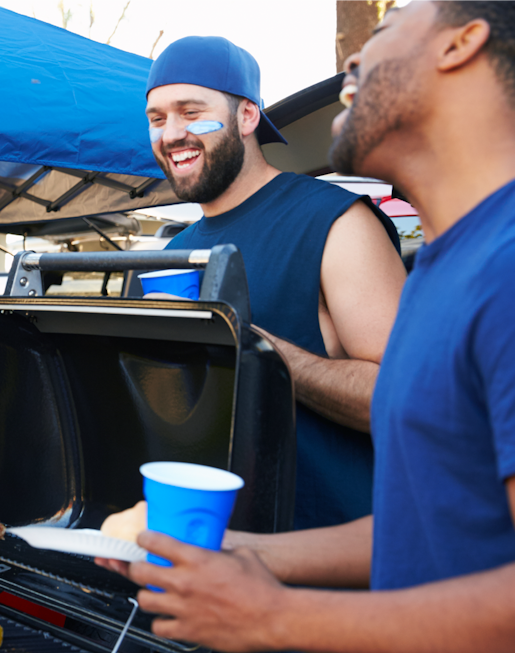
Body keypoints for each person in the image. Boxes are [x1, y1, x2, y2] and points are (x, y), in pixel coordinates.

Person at [99, 2, 515, 651]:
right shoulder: (443, 262)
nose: (351, 58)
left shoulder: (352, 225)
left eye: (381, 31)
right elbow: (425, 520)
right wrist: (240, 552)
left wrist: (255, 348)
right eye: (156, 117)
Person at [145, 35, 407, 530]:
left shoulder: (334, 220)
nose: (171, 133)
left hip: (331, 557)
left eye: (190, 112)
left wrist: (259, 350)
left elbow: (403, 399)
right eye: (157, 119)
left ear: (247, 117)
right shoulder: (173, 252)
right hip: (216, 546)